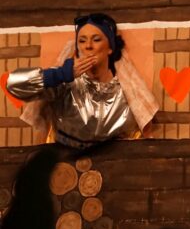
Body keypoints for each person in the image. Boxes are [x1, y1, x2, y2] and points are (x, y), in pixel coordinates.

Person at [6, 13, 158, 148]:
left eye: (96, 40)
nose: (88, 46)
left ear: (110, 48)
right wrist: (60, 74)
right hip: (64, 166)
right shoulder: (64, 85)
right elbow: (13, 84)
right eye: (82, 41)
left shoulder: (127, 95)